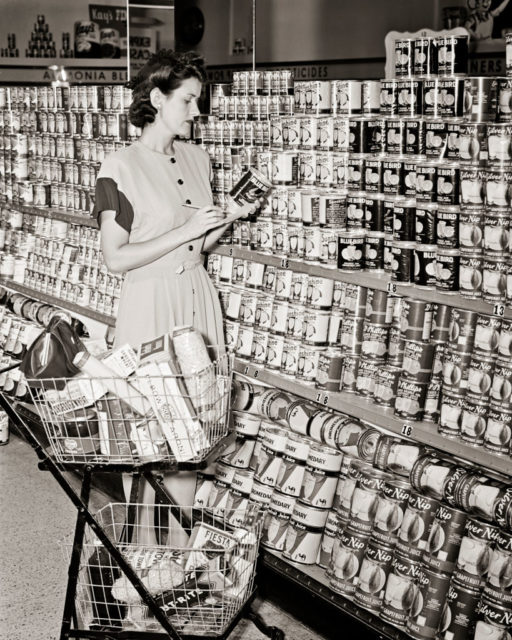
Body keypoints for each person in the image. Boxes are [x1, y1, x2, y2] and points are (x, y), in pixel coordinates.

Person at [93, 50, 255, 545]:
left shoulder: (198, 158)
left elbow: (196, 246)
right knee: (148, 437)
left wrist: (227, 217)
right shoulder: (119, 166)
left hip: (197, 302)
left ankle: (181, 559)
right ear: (157, 98)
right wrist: (186, 227)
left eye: (198, 101)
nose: (196, 112)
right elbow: (115, 258)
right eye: (188, 100)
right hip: (150, 304)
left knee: (193, 439)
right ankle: (141, 557)